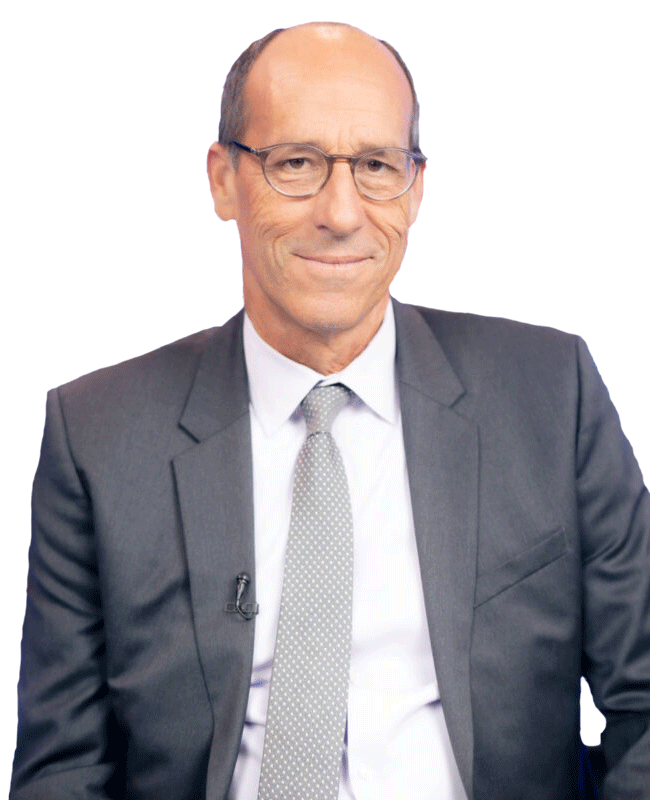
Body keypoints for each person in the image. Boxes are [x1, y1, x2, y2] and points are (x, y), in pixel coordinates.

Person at [9, 21, 650, 800]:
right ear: (223, 180)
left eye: (376, 165)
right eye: (296, 164)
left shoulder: (552, 394)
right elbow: (64, 770)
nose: (342, 212)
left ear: (416, 188)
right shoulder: (99, 437)